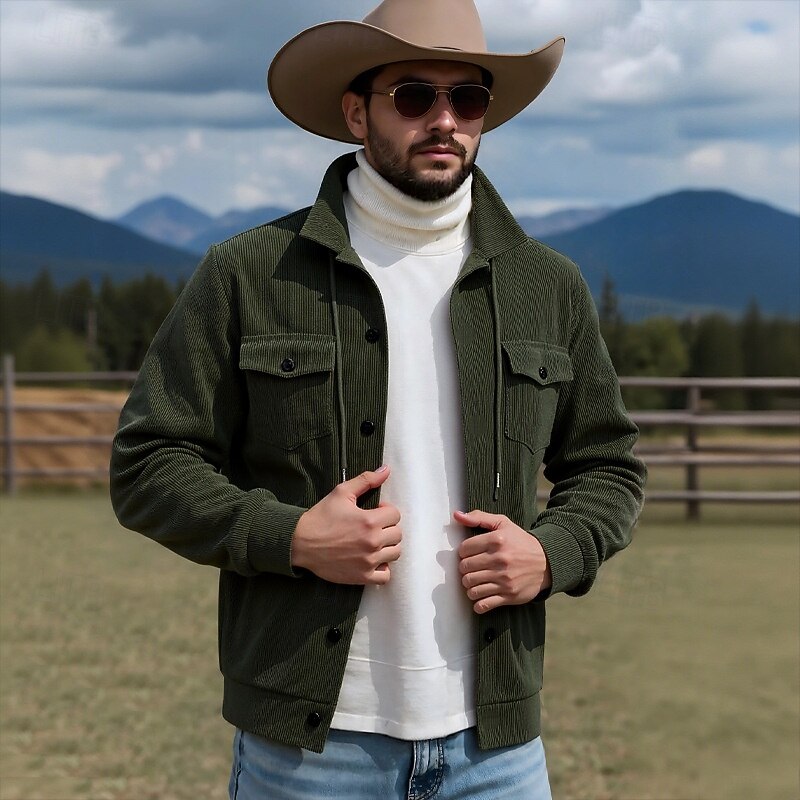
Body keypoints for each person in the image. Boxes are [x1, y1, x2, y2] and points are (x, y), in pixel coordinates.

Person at [110, 0, 646, 797]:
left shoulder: (548, 287)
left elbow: (609, 466)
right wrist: (291, 536)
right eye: (415, 95)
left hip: (496, 754)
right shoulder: (248, 273)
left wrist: (551, 553)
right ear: (357, 113)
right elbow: (148, 462)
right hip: (310, 755)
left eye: (469, 98)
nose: (445, 120)